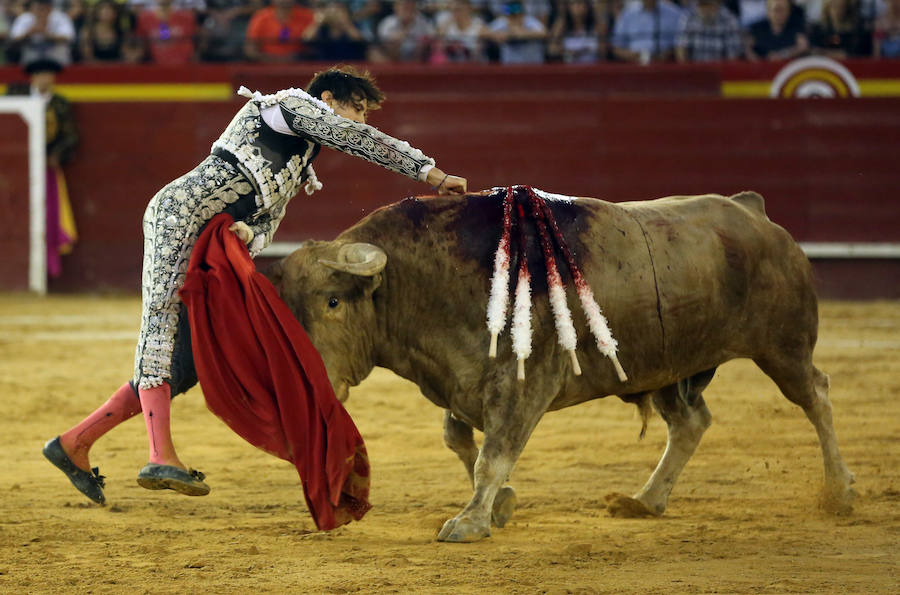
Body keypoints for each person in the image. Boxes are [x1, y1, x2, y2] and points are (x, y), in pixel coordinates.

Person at [42, 65, 467, 504]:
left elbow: (267, 221)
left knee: (187, 362)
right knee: (160, 326)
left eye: (364, 112)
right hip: (177, 217)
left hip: (212, 244)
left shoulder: (300, 161)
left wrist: (250, 234)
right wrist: (429, 173)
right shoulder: (286, 107)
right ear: (325, 99)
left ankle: (74, 443)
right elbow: (356, 139)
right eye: (355, 108)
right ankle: (159, 454)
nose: (360, 119)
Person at [5, 58, 78, 279]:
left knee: (50, 216)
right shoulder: (16, 97)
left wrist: (57, 155)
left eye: (49, 74)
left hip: (46, 167)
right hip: (16, 171)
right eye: (41, 74)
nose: (46, 78)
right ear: (33, 78)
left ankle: (47, 268)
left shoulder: (60, 104)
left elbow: (71, 136)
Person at [611, 0, 683, 63]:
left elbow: (682, 44)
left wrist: (669, 53)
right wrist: (635, 56)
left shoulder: (674, 13)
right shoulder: (627, 13)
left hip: (666, 65)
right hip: (633, 66)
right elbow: (616, 47)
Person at [8, 0, 76, 66]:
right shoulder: (24, 18)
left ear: (50, 8)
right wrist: (30, 33)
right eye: (37, 8)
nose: (40, 12)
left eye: (43, 9)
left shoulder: (61, 17)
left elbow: (68, 37)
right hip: (31, 62)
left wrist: (46, 34)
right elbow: (14, 38)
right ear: (32, 8)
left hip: (58, 60)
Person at [244, 0, 315, 62]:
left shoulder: (308, 16)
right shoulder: (260, 17)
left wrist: (297, 58)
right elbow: (250, 48)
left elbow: (313, 47)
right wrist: (269, 59)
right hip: (265, 66)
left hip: (300, 65)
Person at [675, 0, 743, 62]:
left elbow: (732, 54)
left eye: (708, 5)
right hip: (694, 69)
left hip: (720, 69)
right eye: (701, 4)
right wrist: (686, 70)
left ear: (718, 4)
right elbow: (681, 46)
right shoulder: (688, 16)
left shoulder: (729, 20)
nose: (704, 9)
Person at [483, 0, 548, 64]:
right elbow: (482, 32)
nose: (514, 19)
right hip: (510, 66)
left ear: (522, 15)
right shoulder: (504, 21)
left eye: (516, 16)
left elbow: (544, 33)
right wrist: (499, 35)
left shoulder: (529, 21)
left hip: (532, 65)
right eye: (511, 16)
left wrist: (523, 34)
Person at [745, 0, 809, 60]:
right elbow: (748, 50)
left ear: (789, 11)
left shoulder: (797, 27)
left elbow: (803, 47)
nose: (779, 14)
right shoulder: (756, 28)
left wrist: (783, 55)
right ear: (768, 11)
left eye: (783, 10)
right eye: (776, 10)